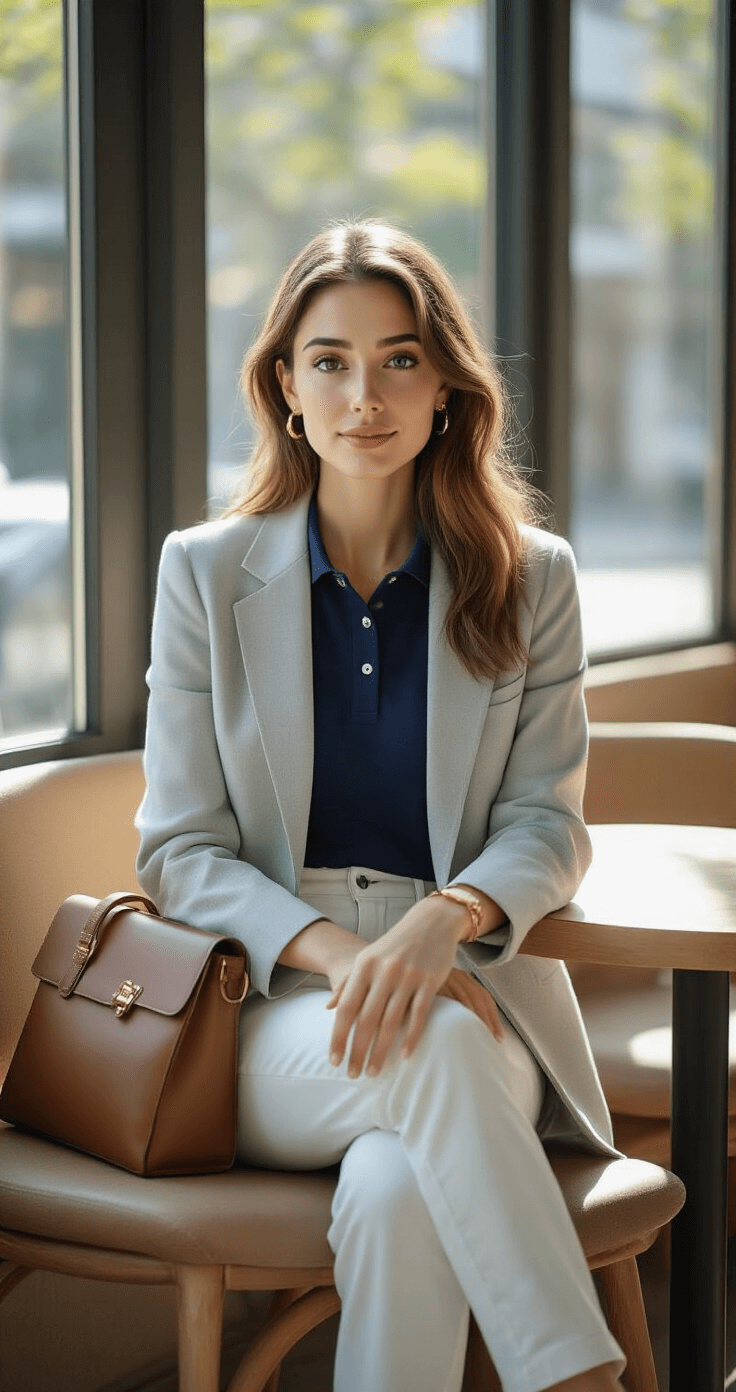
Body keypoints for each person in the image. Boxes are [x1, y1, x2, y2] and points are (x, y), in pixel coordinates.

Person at [135, 220, 626, 1392]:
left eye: (400, 359)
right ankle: (579, 1379)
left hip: (471, 976)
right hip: (266, 1002)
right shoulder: (204, 572)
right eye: (331, 360)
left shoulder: (532, 575)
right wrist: (348, 958)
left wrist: (437, 923)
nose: (366, 394)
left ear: (448, 387)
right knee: (432, 1041)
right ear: (285, 389)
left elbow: (547, 824)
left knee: (406, 1187)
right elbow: (180, 850)